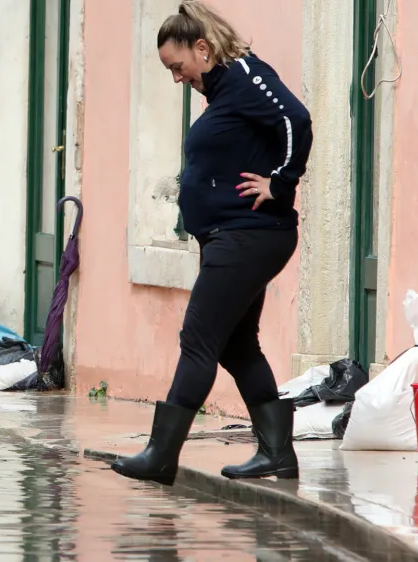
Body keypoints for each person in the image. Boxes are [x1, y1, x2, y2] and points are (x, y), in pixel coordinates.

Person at [111, 1, 312, 484]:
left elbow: (297, 120)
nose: (176, 77)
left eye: (177, 66)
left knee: (198, 339)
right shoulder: (223, 91)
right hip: (232, 237)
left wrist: (280, 183)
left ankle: (162, 455)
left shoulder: (246, 76)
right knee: (237, 345)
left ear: (202, 48)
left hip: (249, 236)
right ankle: (277, 454)